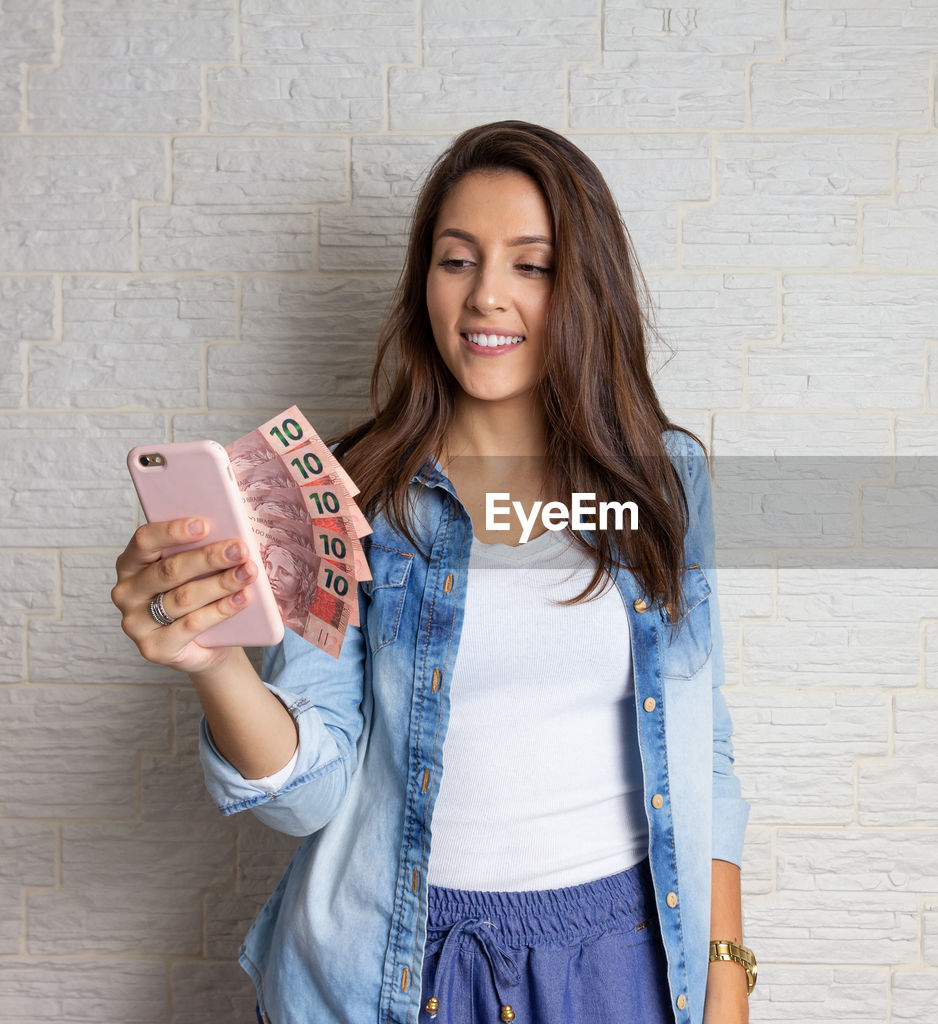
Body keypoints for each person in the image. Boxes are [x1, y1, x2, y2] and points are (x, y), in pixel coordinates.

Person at [111, 121, 754, 1024]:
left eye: (530, 265)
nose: (487, 296)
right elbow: (311, 793)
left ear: (584, 289)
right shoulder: (346, 493)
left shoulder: (664, 479)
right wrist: (213, 662)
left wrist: (725, 971)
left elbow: (702, 739)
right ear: (425, 282)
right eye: (458, 261)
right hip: (401, 971)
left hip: (624, 963)